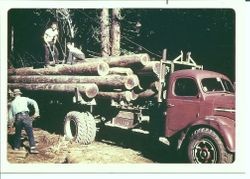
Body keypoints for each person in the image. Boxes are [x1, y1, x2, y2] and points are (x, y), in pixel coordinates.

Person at [8, 89, 40, 154]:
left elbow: (10, 116)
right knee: (30, 132)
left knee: (18, 133)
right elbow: (34, 102)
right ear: (20, 94)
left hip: (18, 118)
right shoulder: (25, 99)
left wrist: (11, 123)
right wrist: (37, 112)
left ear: (14, 95)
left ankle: (16, 147)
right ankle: (32, 148)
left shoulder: (12, 103)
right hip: (25, 116)